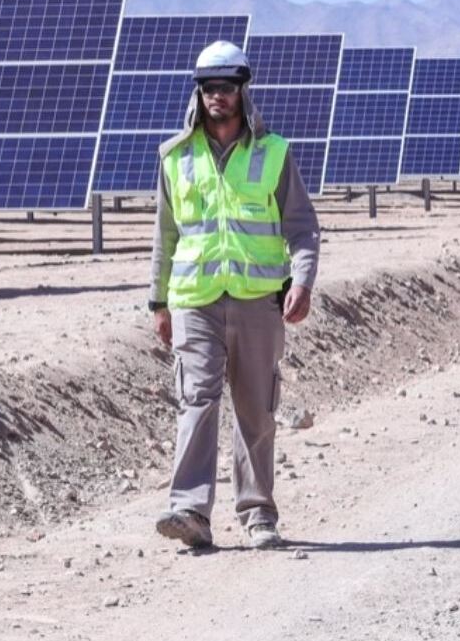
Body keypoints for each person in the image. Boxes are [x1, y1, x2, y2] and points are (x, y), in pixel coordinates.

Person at [148, 40, 320, 550]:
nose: (216, 96)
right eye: (207, 88)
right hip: (195, 301)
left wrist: (304, 281)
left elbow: (303, 228)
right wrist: (158, 302)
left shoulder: (274, 153)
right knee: (196, 400)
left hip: (258, 301)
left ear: (243, 90)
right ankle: (190, 511)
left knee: (255, 409)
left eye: (225, 87)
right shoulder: (175, 157)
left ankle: (258, 514)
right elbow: (165, 236)